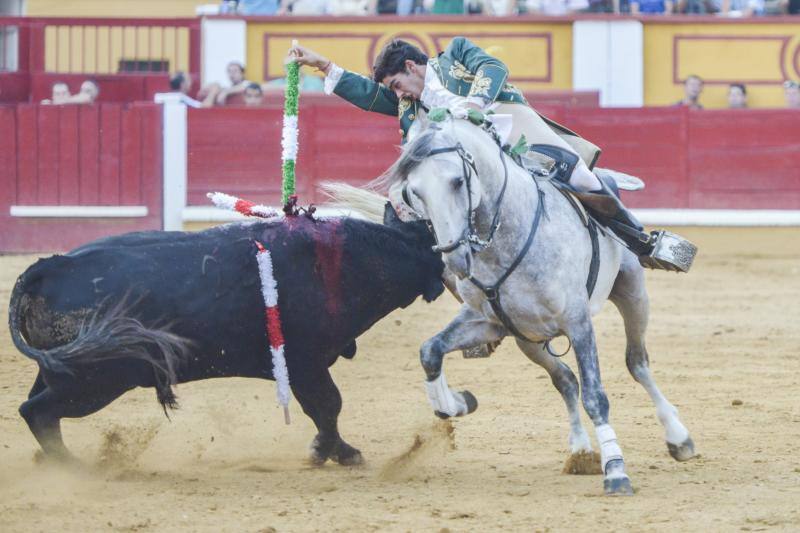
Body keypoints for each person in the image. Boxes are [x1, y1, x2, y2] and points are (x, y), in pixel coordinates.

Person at [288, 37, 692, 271]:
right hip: (472, 169)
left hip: (511, 127)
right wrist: (322, 65)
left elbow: (493, 66)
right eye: (393, 90)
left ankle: (646, 245)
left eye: (397, 84)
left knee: (583, 179)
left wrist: (477, 102)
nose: (397, 95)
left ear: (413, 66)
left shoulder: (456, 54)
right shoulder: (407, 105)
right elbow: (366, 93)